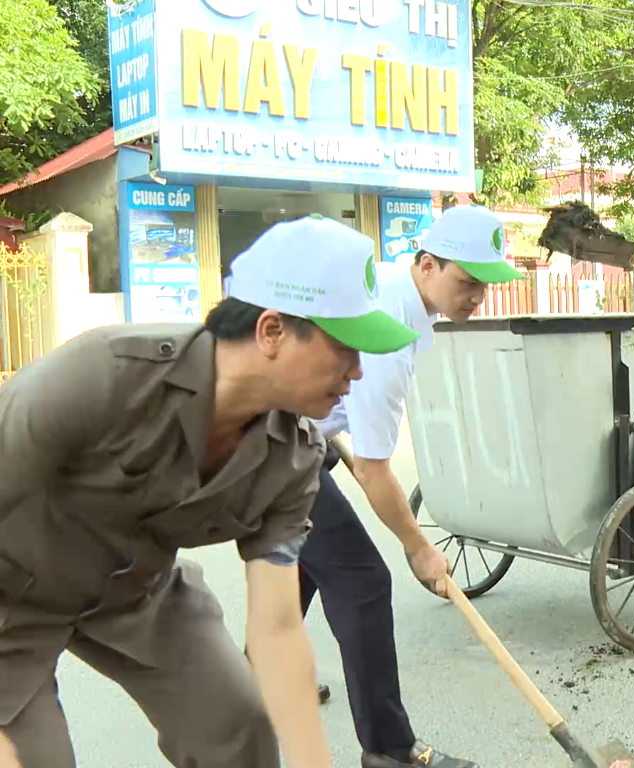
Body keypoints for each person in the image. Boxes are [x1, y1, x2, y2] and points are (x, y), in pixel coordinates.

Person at [0, 214, 419, 768]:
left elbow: (276, 628)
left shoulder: (294, 459)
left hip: (138, 590)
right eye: (346, 347)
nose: (359, 372)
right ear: (272, 331)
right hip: (12, 593)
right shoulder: (106, 373)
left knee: (236, 726)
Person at [303, 205, 526, 768]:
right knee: (363, 580)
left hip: (293, 434)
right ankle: (390, 751)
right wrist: (419, 547)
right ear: (428, 264)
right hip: (269, 447)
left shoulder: (392, 295)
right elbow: (376, 470)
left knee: (301, 562)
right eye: (467, 281)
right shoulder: (386, 328)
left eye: (485, 285)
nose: (477, 296)